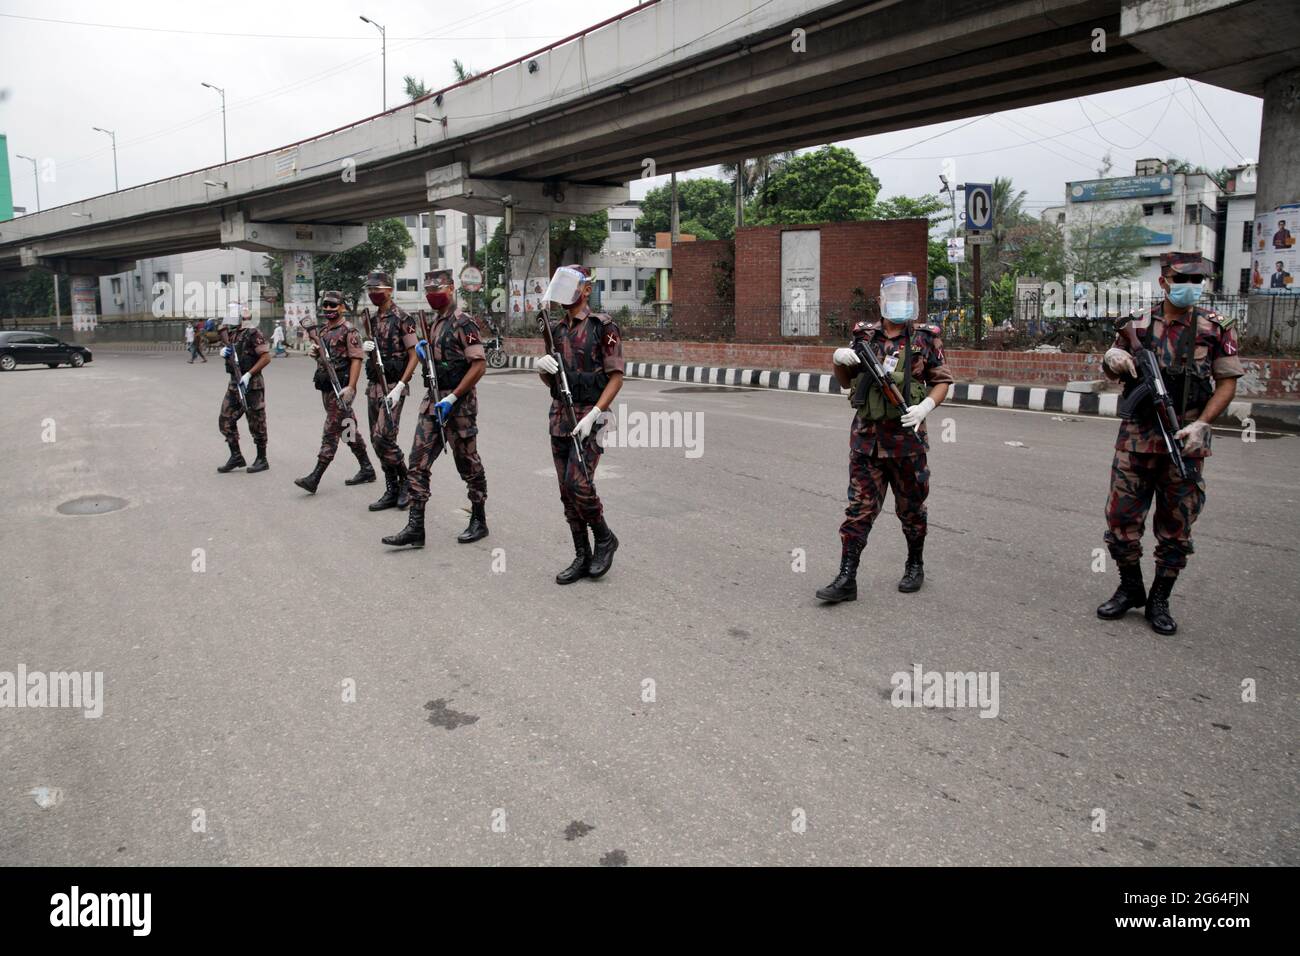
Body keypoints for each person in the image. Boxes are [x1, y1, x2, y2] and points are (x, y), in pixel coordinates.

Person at [1097, 252, 1243, 635]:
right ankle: (1131, 588)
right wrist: (1113, 358)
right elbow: (1112, 366)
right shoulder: (1139, 325)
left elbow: (1227, 381)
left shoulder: (1216, 328)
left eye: (1197, 282)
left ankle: (1159, 599)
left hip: (1185, 441)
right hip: (1137, 440)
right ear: (1164, 282)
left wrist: (1203, 424)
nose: (1190, 288)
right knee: (1120, 521)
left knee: (1177, 527)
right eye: (1183, 280)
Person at [817, 273, 953, 604]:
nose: (900, 302)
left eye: (907, 296)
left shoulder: (925, 338)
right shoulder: (864, 334)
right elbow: (846, 383)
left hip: (907, 442)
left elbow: (943, 381)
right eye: (893, 296)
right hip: (866, 440)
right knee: (859, 509)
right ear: (880, 301)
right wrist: (839, 361)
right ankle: (847, 578)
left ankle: (915, 564)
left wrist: (924, 407)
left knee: (911, 509)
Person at [383, 270, 489, 548]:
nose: (431, 293)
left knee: (468, 464)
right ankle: (416, 527)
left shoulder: (463, 322)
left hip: (459, 405)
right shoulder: (434, 323)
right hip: (432, 402)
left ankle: (479, 518)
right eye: (427, 289)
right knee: (417, 462)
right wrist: (423, 354)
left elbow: (478, 365)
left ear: (452, 288)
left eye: (437, 288)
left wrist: (453, 398)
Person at [534, 265, 624, 584]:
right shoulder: (556, 330)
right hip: (561, 416)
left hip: (592, 417)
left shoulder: (602, 326)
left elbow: (616, 377)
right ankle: (581, 555)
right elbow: (552, 378)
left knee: (579, 483)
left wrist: (594, 414)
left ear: (586, 290)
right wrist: (542, 368)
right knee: (565, 492)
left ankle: (604, 538)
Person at [294, 291, 376, 494]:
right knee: (348, 429)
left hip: (343, 388)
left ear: (342, 307)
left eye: (333, 305)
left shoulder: (349, 331)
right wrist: (315, 355)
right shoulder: (322, 332)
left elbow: (356, 359)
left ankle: (315, 477)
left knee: (331, 430)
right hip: (327, 387)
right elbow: (325, 359)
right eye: (326, 305)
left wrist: (352, 387)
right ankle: (367, 468)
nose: (329, 309)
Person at [360, 271, 420, 512]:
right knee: (378, 442)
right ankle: (391, 488)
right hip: (374, 385)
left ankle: (406, 480)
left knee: (383, 437)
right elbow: (373, 351)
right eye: (370, 290)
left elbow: (414, 355)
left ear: (389, 290)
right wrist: (367, 349)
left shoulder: (403, 318)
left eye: (378, 290)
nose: (374, 294)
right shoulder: (371, 320)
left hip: (394, 385)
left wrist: (401, 386)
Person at [216, 305, 271, 474]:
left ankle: (262, 459)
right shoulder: (232, 334)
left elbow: (266, 357)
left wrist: (248, 374)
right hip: (234, 383)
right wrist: (224, 352)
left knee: (256, 422)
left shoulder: (253, 332)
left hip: (252, 384)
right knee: (225, 419)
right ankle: (236, 456)